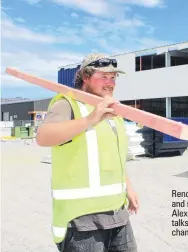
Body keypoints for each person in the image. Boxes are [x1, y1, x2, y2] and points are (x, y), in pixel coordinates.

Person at [36, 53, 139, 252]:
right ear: (86, 77)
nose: (110, 83)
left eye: (113, 77)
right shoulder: (68, 104)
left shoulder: (112, 112)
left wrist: (129, 187)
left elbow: (112, 156)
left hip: (117, 214)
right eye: (104, 76)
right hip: (82, 220)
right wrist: (90, 119)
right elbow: (43, 137)